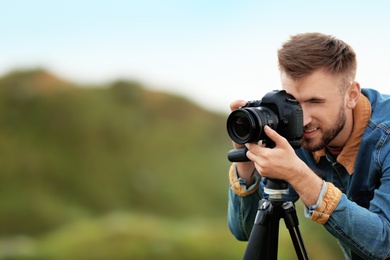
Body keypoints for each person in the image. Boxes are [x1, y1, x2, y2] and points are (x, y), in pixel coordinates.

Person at [227, 32, 390, 260]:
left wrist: (300, 176)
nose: (303, 120)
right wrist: (247, 162)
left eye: (315, 102)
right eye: (293, 102)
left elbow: (385, 244)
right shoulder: (295, 132)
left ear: (351, 95)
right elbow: (245, 232)